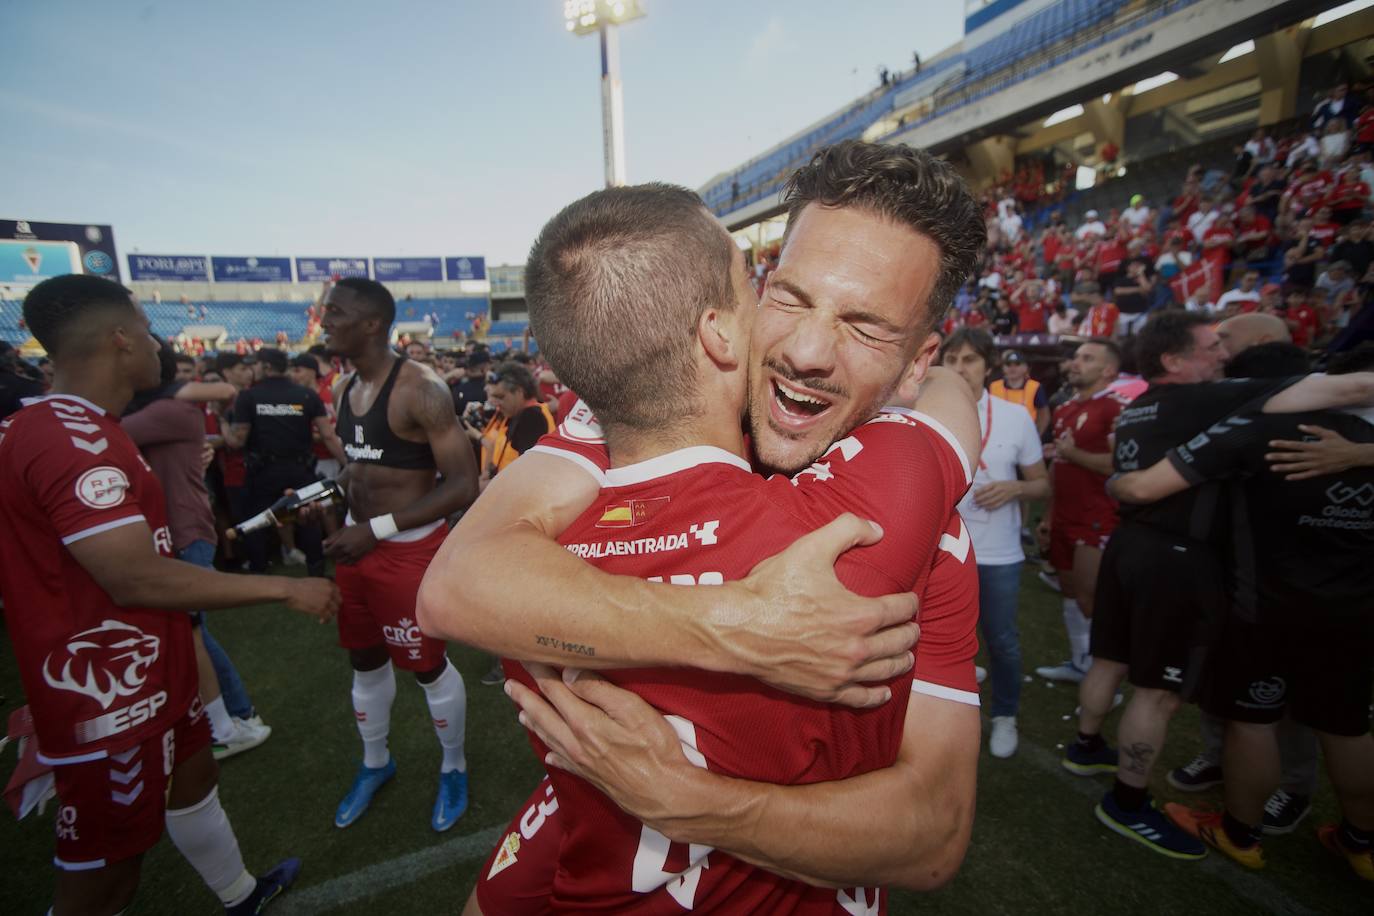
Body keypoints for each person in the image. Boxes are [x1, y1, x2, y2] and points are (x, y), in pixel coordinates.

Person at [417, 142, 987, 907]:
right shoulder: (618, 425)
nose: (807, 352)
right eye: (791, 298)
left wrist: (694, 803)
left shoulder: (928, 535)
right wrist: (737, 622)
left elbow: (931, 833)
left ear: (917, 362)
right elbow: (457, 585)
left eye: (866, 326)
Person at [0, 274, 338, 915]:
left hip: (150, 665)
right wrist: (283, 588)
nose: (158, 341)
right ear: (120, 339)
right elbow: (133, 576)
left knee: (193, 778)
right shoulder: (71, 440)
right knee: (104, 881)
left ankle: (240, 895)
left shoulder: (83, 426)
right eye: (145, 326)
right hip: (109, 691)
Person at [1110, 344, 1374, 878]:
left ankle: (1240, 835)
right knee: (1345, 726)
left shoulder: (1252, 428)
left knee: (1252, 722)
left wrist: (1115, 480)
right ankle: (1361, 842)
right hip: (1352, 610)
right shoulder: (1362, 443)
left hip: (1263, 608)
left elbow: (1142, 486)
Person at [318, 276, 480, 833]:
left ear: (372, 324)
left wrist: (378, 528)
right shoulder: (343, 388)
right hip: (356, 545)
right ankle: (375, 762)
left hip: (406, 550)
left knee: (427, 667)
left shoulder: (421, 388)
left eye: (335, 312)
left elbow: (464, 485)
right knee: (363, 659)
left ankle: (454, 767)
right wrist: (327, 493)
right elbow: (361, 466)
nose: (324, 321)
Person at [123, 340, 270, 761]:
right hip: (178, 529)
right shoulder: (165, 410)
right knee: (189, 631)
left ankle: (235, 718)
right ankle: (232, 717)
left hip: (185, 531)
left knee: (192, 632)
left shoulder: (167, 411)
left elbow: (102, 432)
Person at [942, 329, 1049, 757]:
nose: (959, 368)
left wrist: (1015, 488)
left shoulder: (1015, 416)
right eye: (951, 359)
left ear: (988, 366)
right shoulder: (924, 409)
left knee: (1001, 639)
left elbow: (1041, 484)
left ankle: (1005, 714)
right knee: (938, 637)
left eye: (969, 359)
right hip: (942, 551)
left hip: (998, 553)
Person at [1034, 340, 1126, 684]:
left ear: (1108, 370)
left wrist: (1074, 454)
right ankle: (1079, 663)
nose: (1075, 363)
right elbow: (1058, 468)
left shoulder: (1116, 407)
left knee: (1091, 597)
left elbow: (1120, 464)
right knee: (1070, 592)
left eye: (1087, 358)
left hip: (1098, 516)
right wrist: (1048, 516)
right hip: (1064, 515)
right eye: (1076, 357)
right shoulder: (1064, 408)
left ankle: (1104, 677)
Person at [220, 348, 343, 577]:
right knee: (308, 518)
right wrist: (347, 463)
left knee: (257, 521)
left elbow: (237, 441)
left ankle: (259, 572)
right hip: (300, 469)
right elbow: (328, 435)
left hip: (263, 472)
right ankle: (316, 570)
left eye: (255, 365)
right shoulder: (306, 395)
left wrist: (223, 425)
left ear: (266, 367)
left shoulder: (249, 396)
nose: (252, 370)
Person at [466, 361, 555, 488]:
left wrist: (488, 487)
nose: (496, 403)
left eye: (501, 397)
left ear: (519, 392)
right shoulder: (517, 414)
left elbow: (527, 477)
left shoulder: (531, 417)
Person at [988, 349, 1049, 436]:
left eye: (1017, 364)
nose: (1012, 368)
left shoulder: (1035, 387)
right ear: (1003, 368)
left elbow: (1044, 416)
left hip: (1026, 435)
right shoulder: (994, 387)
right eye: (1008, 364)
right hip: (1000, 435)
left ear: (1025, 367)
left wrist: (1036, 436)